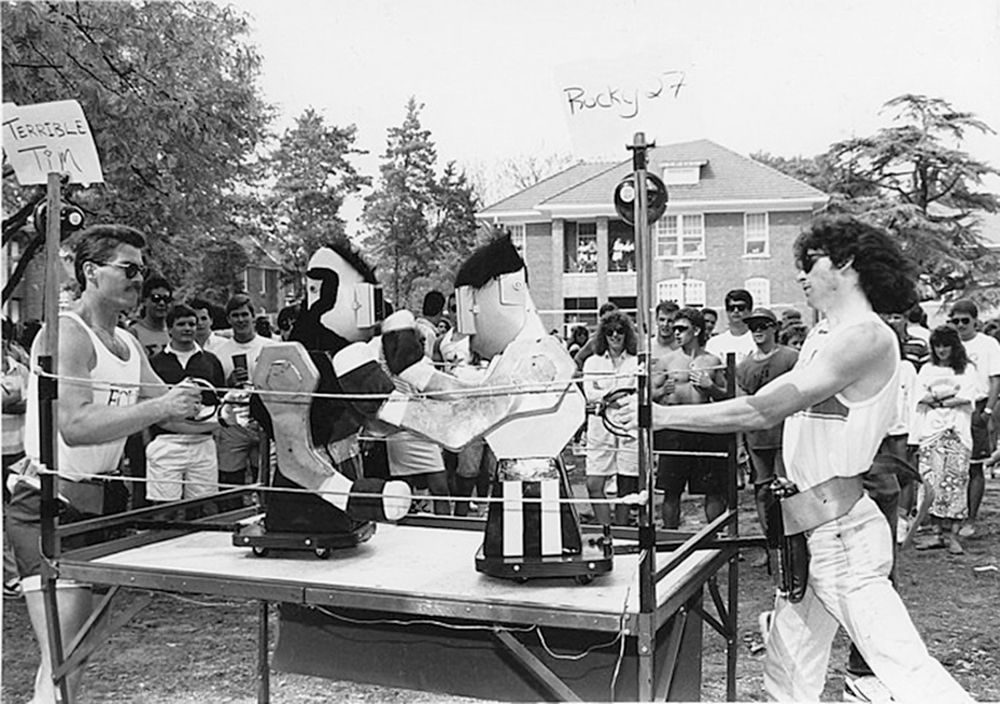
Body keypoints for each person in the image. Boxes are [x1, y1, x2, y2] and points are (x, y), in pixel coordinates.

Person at [622, 215, 972, 702]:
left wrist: (660, 416)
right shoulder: (824, 335)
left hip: (842, 536)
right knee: (787, 677)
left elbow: (765, 408)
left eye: (811, 263)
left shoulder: (866, 337)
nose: (802, 275)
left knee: (907, 672)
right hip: (809, 532)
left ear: (846, 264)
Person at [5, 224, 202, 704]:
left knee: (81, 647)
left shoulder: (129, 344)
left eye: (143, 269)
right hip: (49, 503)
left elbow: (179, 413)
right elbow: (74, 423)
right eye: (129, 269)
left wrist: (244, 414)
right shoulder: (65, 333)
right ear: (91, 271)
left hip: (101, 507)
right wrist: (164, 409)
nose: (140, 279)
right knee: (66, 650)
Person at [652, 307, 728, 529]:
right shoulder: (667, 361)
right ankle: (670, 540)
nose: (676, 333)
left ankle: (716, 539)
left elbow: (727, 396)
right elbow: (649, 394)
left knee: (713, 491)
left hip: (704, 426)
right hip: (675, 427)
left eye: (682, 329)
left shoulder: (712, 361)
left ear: (696, 330)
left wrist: (710, 386)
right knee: (671, 491)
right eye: (675, 328)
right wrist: (662, 392)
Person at [734, 307, 798, 568]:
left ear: (774, 327)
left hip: (787, 435)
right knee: (762, 491)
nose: (757, 331)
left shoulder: (791, 358)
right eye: (753, 326)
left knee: (789, 489)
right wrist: (740, 443)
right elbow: (741, 406)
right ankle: (771, 545)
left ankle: (794, 544)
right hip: (757, 439)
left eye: (763, 325)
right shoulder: (745, 366)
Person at [146, 304, 225, 505]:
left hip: (202, 442)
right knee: (163, 507)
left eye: (192, 324)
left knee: (203, 507)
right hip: (166, 441)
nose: (188, 328)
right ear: (169, 329)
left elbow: (219, 400)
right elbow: (147, 402)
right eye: (181, 324)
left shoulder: (211, 361)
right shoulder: (155, 363)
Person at [911, 325, 976, 555]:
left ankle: (953, 534)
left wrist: (939, 398)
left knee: (956, 480)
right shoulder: (927, 368)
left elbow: (966, 397)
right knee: (932, 480)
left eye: (945, 345)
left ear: (954, 346)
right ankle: (936, 532)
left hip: (957, 430)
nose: (941, 350)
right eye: (937, 346)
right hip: (932, 431)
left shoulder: (966, 369)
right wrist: (947, 396)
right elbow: (920, 395)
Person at [211, 294, 276, 495]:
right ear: (229, 319)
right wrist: (228, 384)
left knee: (265, 476)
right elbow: (213, 391)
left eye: (244, 315)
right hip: (232, 425)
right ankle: (232, 519)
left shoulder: (271, 347)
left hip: (263, 421)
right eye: (235, 316)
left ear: (253, 317)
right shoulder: (218, 352)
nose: (240, 320)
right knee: (230, 481)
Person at [947, 298, 999, 539]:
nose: (960, 325)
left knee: (974, 466)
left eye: (964, 321)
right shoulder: (948, 344)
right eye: (954, 320)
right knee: (949, 465)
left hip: (976, 406)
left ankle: (971, 517)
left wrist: (987, 411)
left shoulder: (988, 345)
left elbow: (995, 379)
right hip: (950, 407)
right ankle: (949, 516)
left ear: (975, 321)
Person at [582, 310, 639, 526]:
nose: (615, 336)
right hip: (600, 428)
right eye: (610, 332)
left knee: (627, 484)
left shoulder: (635, 363)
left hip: (627, 427)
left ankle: (622, 532)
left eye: (620, 332)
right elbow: (591, 395)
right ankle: (606, 530)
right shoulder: (592, 363)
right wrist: (616, 397)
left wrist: (607, 399)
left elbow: (635, 394)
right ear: (603, 335)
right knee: (594, 483)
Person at [705, 288, 756, 364]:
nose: (736, 311)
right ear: (726, 311)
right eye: (731, 308)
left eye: (740, 307)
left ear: (750, 310)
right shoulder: (714, 343)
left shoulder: (758, 341)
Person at [127, 275, 172, 357]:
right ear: (144, 301)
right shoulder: (133, 333)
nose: (161, 303)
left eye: (166, 299)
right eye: (156, 298)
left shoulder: (175, 331)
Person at [573, 301, 618, 372]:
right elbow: (578, 358)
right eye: (607, 320)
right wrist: (585, 376)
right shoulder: (595, 340)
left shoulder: (624, 338)